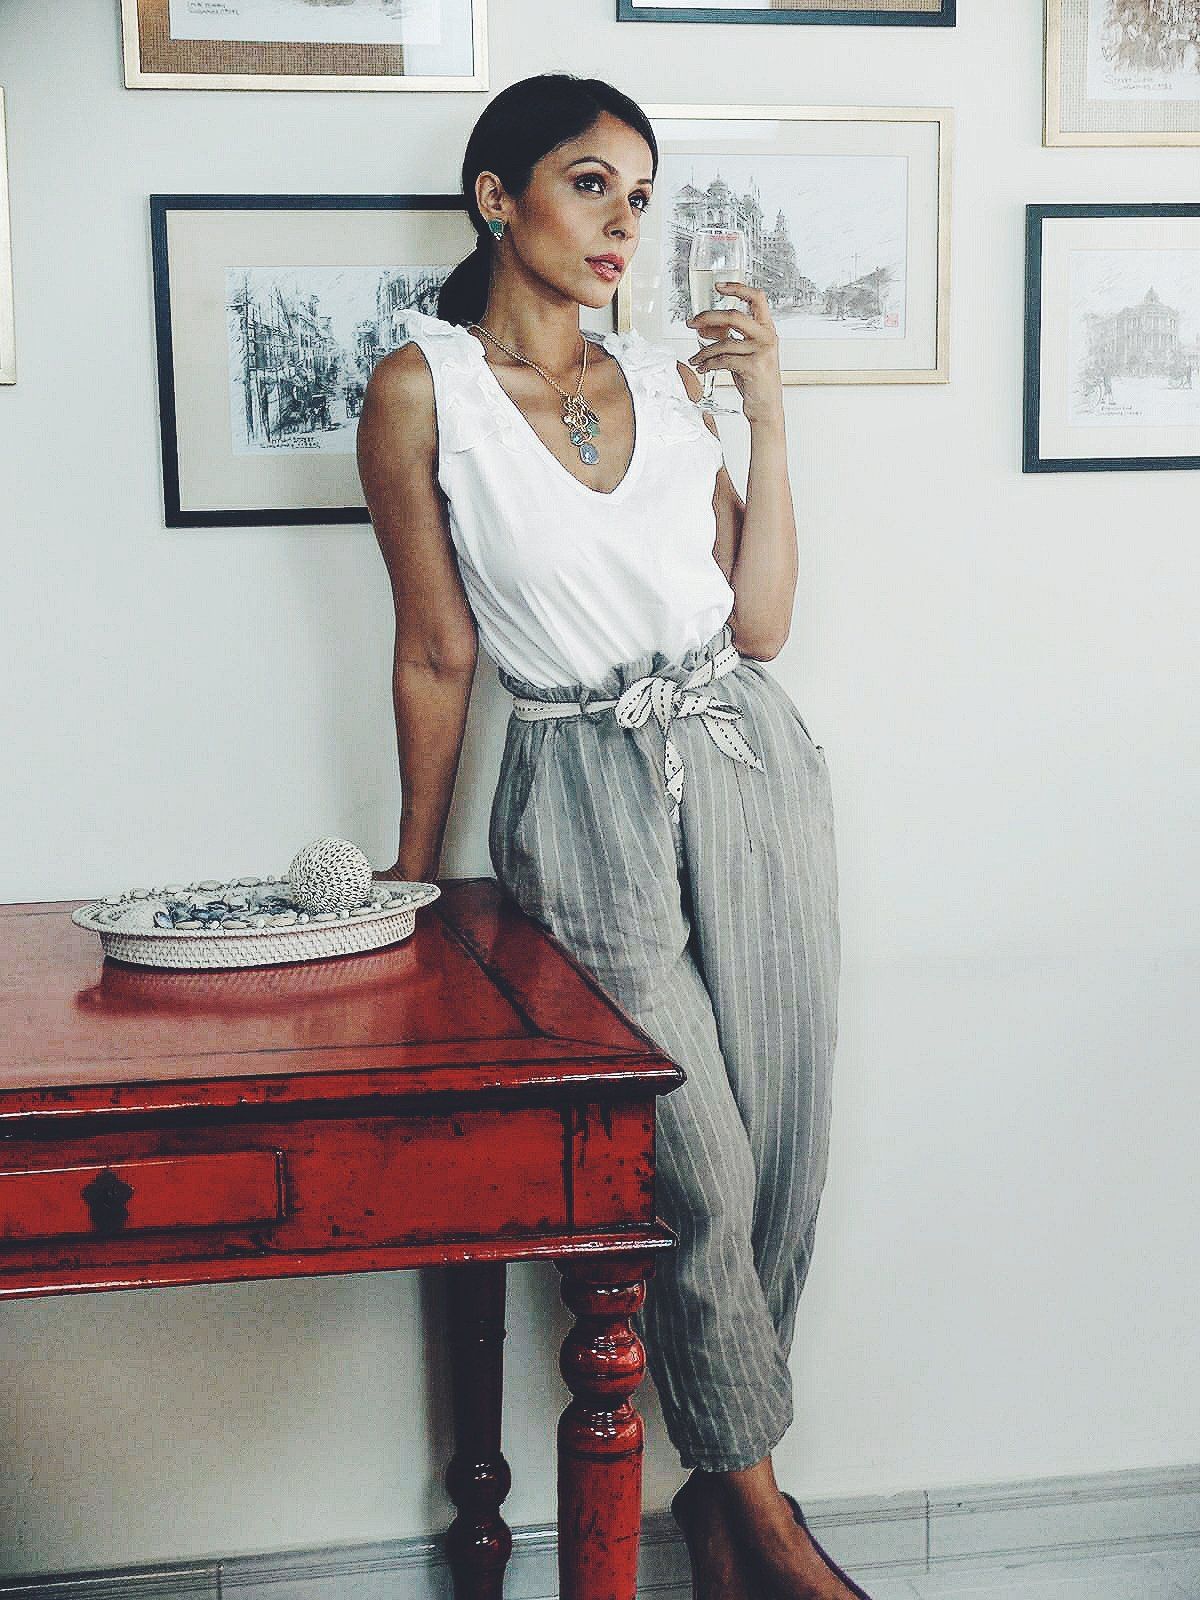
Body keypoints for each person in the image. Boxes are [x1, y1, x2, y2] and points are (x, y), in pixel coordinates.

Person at [356, 73, 854, 1600]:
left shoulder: (663, 373)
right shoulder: (423, 389)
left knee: (779, 1152)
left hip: (750, 765)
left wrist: (769, 418)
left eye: (641, 194)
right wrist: (415, 881)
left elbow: (760, 625)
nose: (623, 220)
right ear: (497, 197)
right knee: (693, 1167)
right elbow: (437, 650)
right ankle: (766, 1522)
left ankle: (718, 1510)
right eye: (590, 183)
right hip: (579, 791)